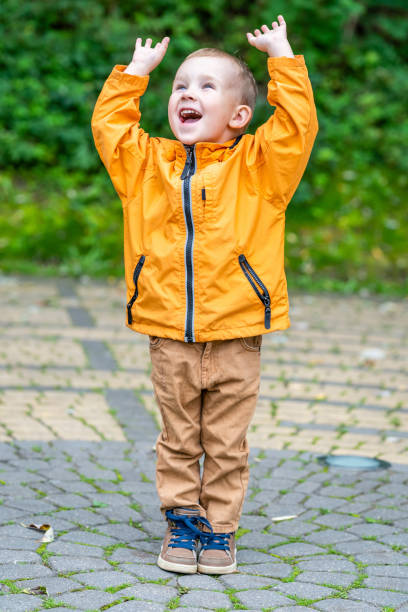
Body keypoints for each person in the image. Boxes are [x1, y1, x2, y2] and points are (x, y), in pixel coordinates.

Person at [91, 15, 318, 575]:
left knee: (226, 441)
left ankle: (219, 529)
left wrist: (282, 57)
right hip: (170, 333)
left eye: (206, 86)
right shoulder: (147, 166)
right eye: (181, 86)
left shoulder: (261, 168)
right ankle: (182, 521)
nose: (188, 93)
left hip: (238, 332)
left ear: (240, 116)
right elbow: (111, 129)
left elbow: (296, 127)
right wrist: (135, 75)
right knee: (177, 439)